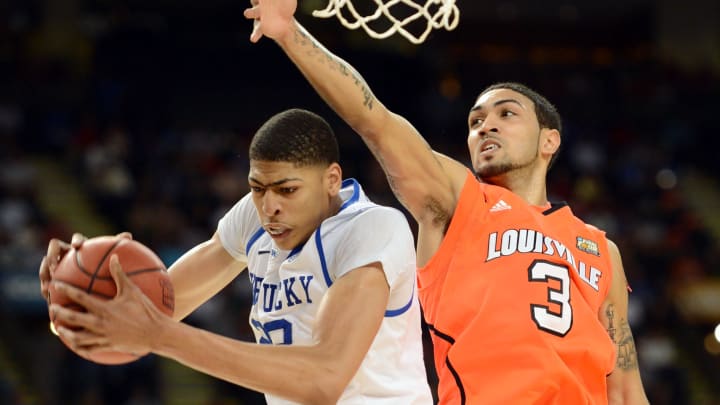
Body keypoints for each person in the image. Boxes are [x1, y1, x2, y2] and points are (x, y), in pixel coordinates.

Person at [243, 2, 650, 404]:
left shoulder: (601, 250)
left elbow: (626, 389)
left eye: (507, 114)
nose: (485, 125)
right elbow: (376, 121)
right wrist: (289, 33)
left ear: (550, 140)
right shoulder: (459, 202)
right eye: (475, 121)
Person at [40, 108, 433, 405]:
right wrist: (75, 291)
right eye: (258, 188)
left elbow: (325, 378)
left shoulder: (375, 229)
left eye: (287, 190)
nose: (269, 207)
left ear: (331, 180)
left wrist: (163, 337)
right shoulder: (256, 216)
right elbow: (153, 311)